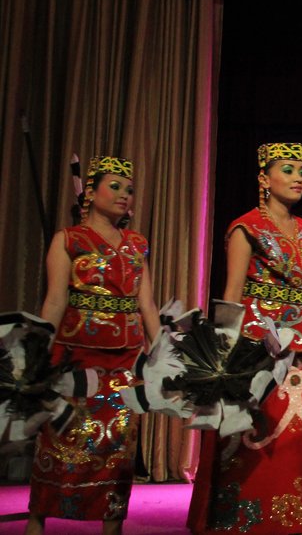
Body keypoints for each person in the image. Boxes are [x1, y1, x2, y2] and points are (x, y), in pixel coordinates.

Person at [187, 142, 302, 535]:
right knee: (250, 443)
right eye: (287, 169)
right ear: (263, 178)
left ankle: (289, 524)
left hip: (297, 353)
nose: (298, 178)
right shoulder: (246, 227)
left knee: (294, 442)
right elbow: (232, 293)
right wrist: (221, 357)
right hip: (253, 352)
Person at [27, 155, 161, 535]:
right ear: (91, 192)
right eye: (114, 186)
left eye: (129, 189)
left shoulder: (137, 244)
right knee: (59, 444)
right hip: (75, 358)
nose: (124, 194)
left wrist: (164, 354)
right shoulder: (68, 239)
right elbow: (55, 301)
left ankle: (112, 527)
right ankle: (36, 523)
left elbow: (147, 305)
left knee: (118, 452)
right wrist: (37, 355)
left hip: (125, 362)